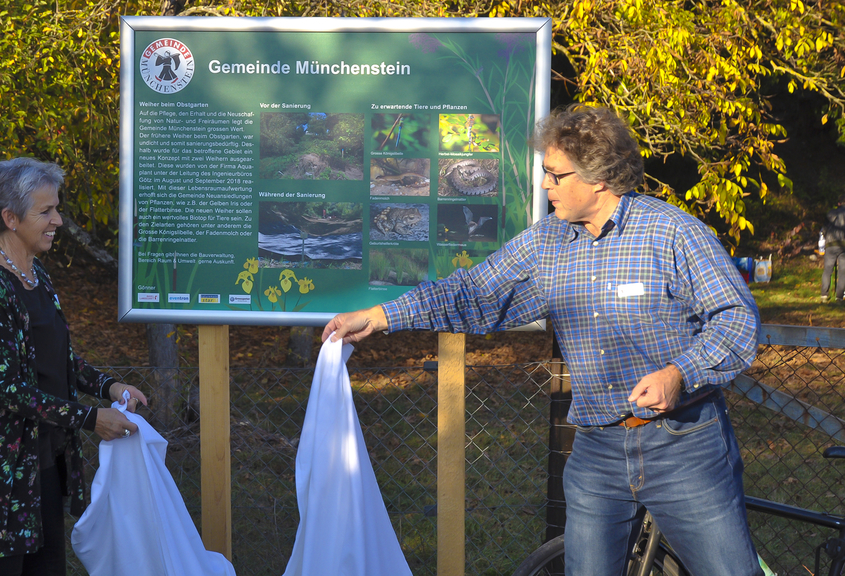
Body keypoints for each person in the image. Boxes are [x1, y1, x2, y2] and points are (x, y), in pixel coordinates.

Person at [323, 105, 763, 575]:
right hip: (596, 452)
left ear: (598, 177)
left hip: (684, 447)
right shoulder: (546, 243)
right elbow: (473, 293)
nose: (544, 185)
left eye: (555, 175)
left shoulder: (674, 233)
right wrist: (381, 315)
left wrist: (679, 374)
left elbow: (737, 320)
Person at [0, 158, 149, 576]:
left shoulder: (37, 275)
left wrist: (109, 387)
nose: (59, 220)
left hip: (41, 467)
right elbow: (8, 389)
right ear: (10, 218)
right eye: (46, 211)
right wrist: (91, 418)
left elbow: (60, 360)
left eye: (57, 208)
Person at [821, 194, 845, 303]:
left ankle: (824, 295)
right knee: (843, 271)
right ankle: (839, 297)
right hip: (843, 245)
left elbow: (824, 229)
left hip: (830, 244)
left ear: (838, 203)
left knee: (827, 270)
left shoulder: (830, 213)